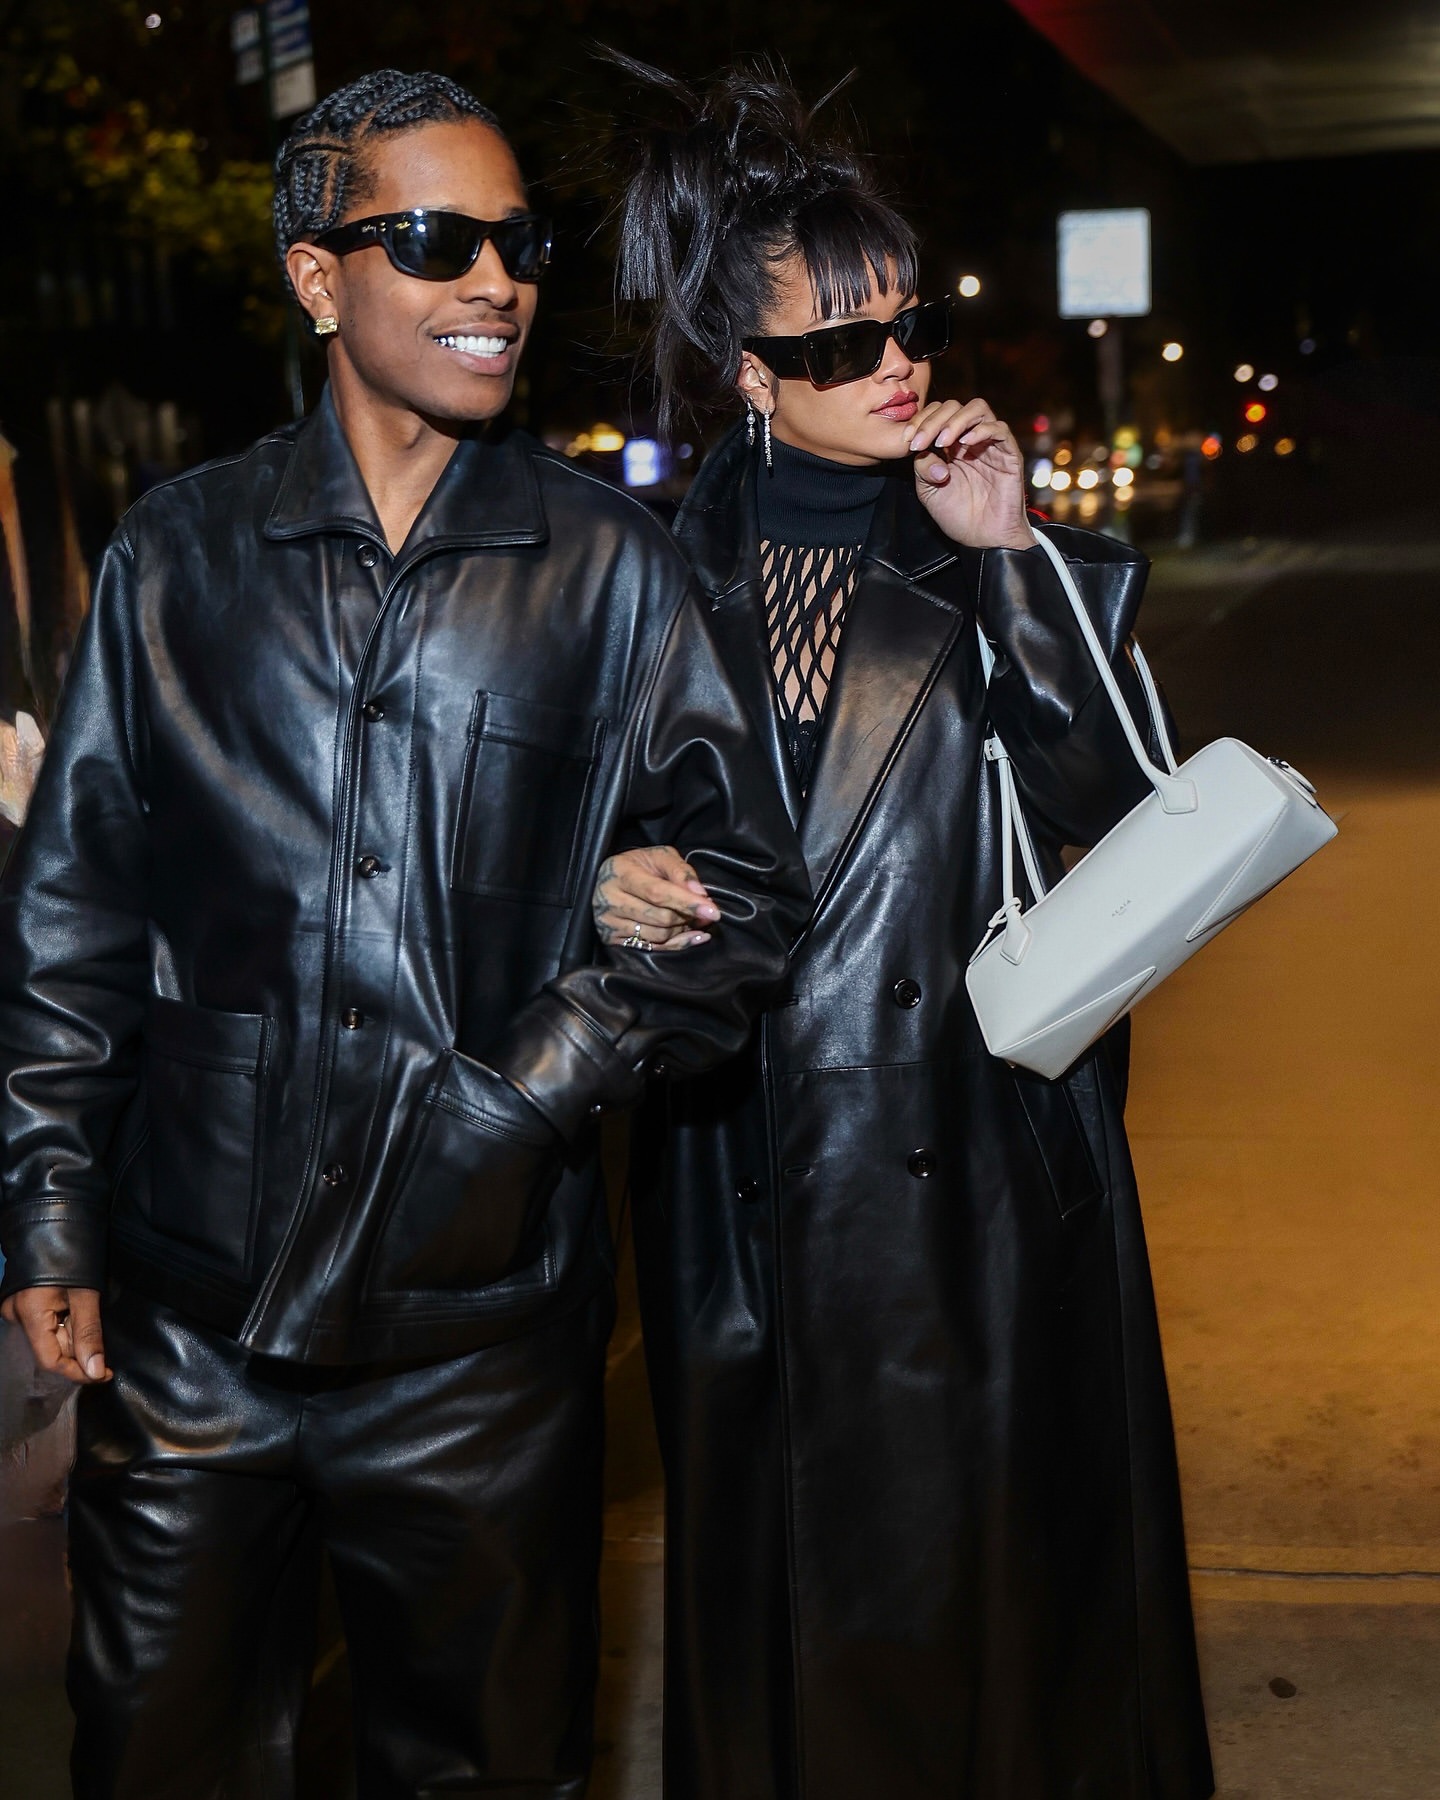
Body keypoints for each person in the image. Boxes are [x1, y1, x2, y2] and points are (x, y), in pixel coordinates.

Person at [0, 68, 808, 1798]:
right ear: (317, 277)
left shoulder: (610, 568)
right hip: (189, 1325)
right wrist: (51, 1201)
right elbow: (76, 904)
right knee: (153, 1751)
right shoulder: (175, 558)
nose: (496, 282)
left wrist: (529, 1086)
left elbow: (749, 899)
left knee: (480, 1770)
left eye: (517, 243)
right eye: (438, 239)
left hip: (480, 1344)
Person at [592, 57, 1214, 1800]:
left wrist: (1008, 552)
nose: (894, 370)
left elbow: (1143, 814)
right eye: (833, 348)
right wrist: (602, 886)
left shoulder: (1009, 557)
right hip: (739, 1181)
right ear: (745, 379)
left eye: (907, 329)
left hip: (986, 1171)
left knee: (1003, 1619)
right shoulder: (636, 575)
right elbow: (565, 835)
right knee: (784, 1611)